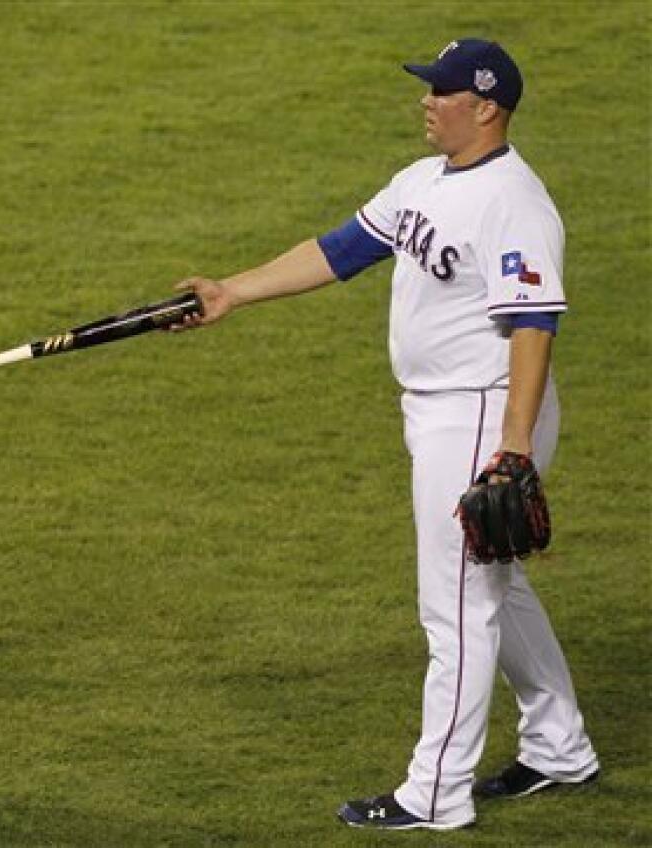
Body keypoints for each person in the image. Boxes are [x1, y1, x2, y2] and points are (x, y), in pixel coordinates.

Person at [174, 38, 599, 831]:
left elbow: (534, 327)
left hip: (482, 409)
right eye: (427, 89)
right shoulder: (424, 180)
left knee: (457, 607)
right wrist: (233, 290)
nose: (426, 102)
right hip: (439, 411)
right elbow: (342, 250)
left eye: (441, 93)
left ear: (487, 108)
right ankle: (559, 746)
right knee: (495, 587)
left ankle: (435, 794)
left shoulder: (515, 202)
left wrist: (510, 451)